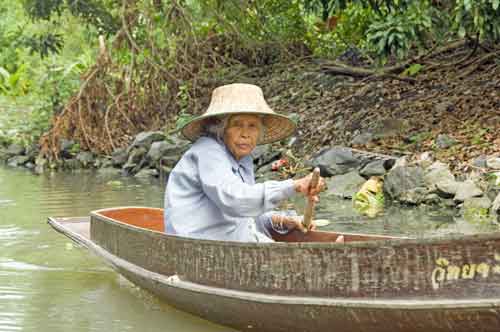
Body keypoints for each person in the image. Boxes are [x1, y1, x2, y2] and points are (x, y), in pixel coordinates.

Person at [164, 83, 325, 242]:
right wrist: (294, 186)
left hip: (228, 245)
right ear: (221, 129)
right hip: (198, 250)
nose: (245, 134)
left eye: (253, 126)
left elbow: (246, 215)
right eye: (237, 125)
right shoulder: (208, 151)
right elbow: (236, 200)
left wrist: (284, 220)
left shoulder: (242, 159)